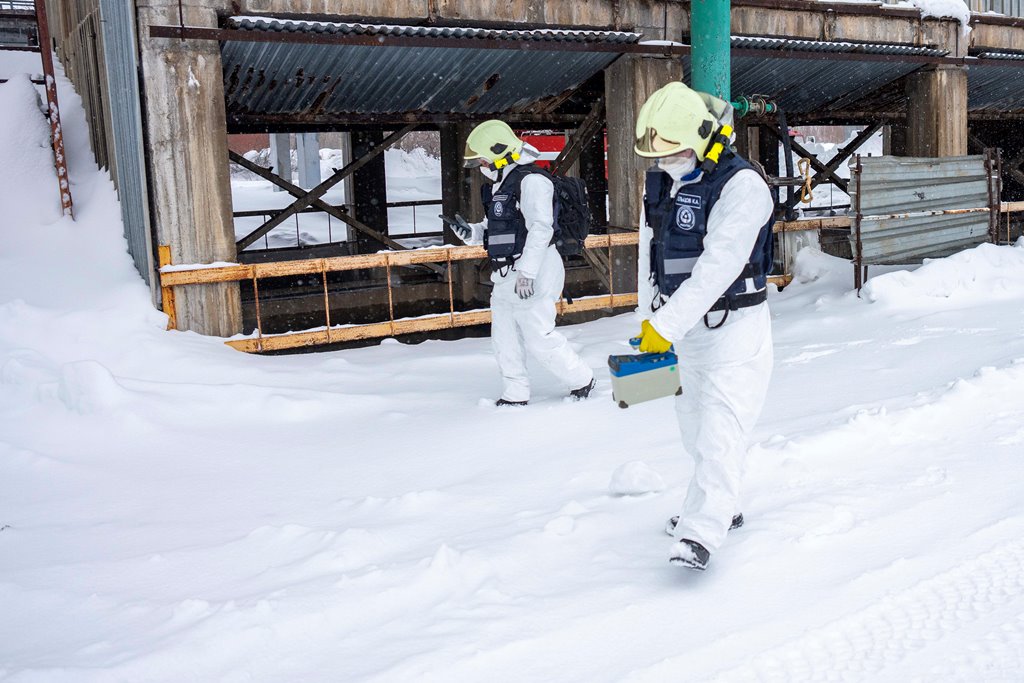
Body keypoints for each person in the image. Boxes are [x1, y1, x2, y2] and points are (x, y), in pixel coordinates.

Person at [632, 82, 775, 571]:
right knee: (693, 428)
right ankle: (721, 504)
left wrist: (665, 326)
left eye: (673, 153)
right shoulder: (664, 183)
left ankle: (700, 532)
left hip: (734, 330)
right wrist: (649, 320)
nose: (665, 162)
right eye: (658, 155)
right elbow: (651, 254)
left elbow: (718, 268)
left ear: (703, 139)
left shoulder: (742, 187)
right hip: (684, 330)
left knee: (720, 430)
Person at [446, 120, 595, 407]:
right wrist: (471, 233)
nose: (481, 166)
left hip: (536, 269)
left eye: (483, 159)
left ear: (500, 152)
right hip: (505, 274)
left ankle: (582, 379)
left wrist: (527, 273)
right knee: (505, 338)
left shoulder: (532, 181)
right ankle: (515, 393)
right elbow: (497, 228)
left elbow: (541, 229)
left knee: (537, 334)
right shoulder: (502, 185)